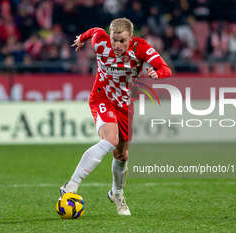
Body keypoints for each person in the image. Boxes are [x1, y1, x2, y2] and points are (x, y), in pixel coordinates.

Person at [59, 18, 171, 215]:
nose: (117, 45)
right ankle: (71, 185)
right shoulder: (101, 42)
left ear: (131, 38)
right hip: (102, 97)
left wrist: (157, 73)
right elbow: (93, 30)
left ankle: (116, 193)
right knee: (110, 140)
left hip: (125, 105)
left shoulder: (141, 48)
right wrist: (81, 39)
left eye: (122, 41)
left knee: (122, 155)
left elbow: (166, 69)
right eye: (114, 40)